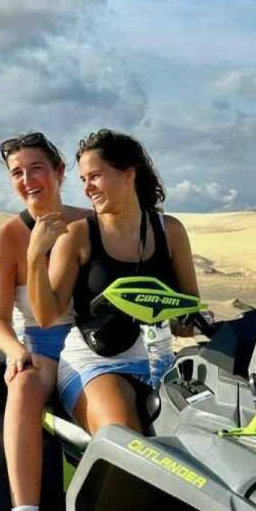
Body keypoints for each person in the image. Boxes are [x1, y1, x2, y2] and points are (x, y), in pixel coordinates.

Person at [28, 129, 199, 434]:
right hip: (94, 363)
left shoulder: (170, 231)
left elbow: (188, 307)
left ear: (128, 174)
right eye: (83, 179)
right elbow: (47, 316)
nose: (87, 188)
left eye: (95, 176)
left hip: (161, 361)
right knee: (125, 437)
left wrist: (186, 320)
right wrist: (34, 257)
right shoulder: (77, 236)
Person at [0, 132, 91, 511]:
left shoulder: (89, 223)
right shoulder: (8, 237)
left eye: (36, 168)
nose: (27, 180)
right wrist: (13, 352)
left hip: (92, 346)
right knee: (24, 386)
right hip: (43, 348)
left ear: (58, 171)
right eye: (17, 172)